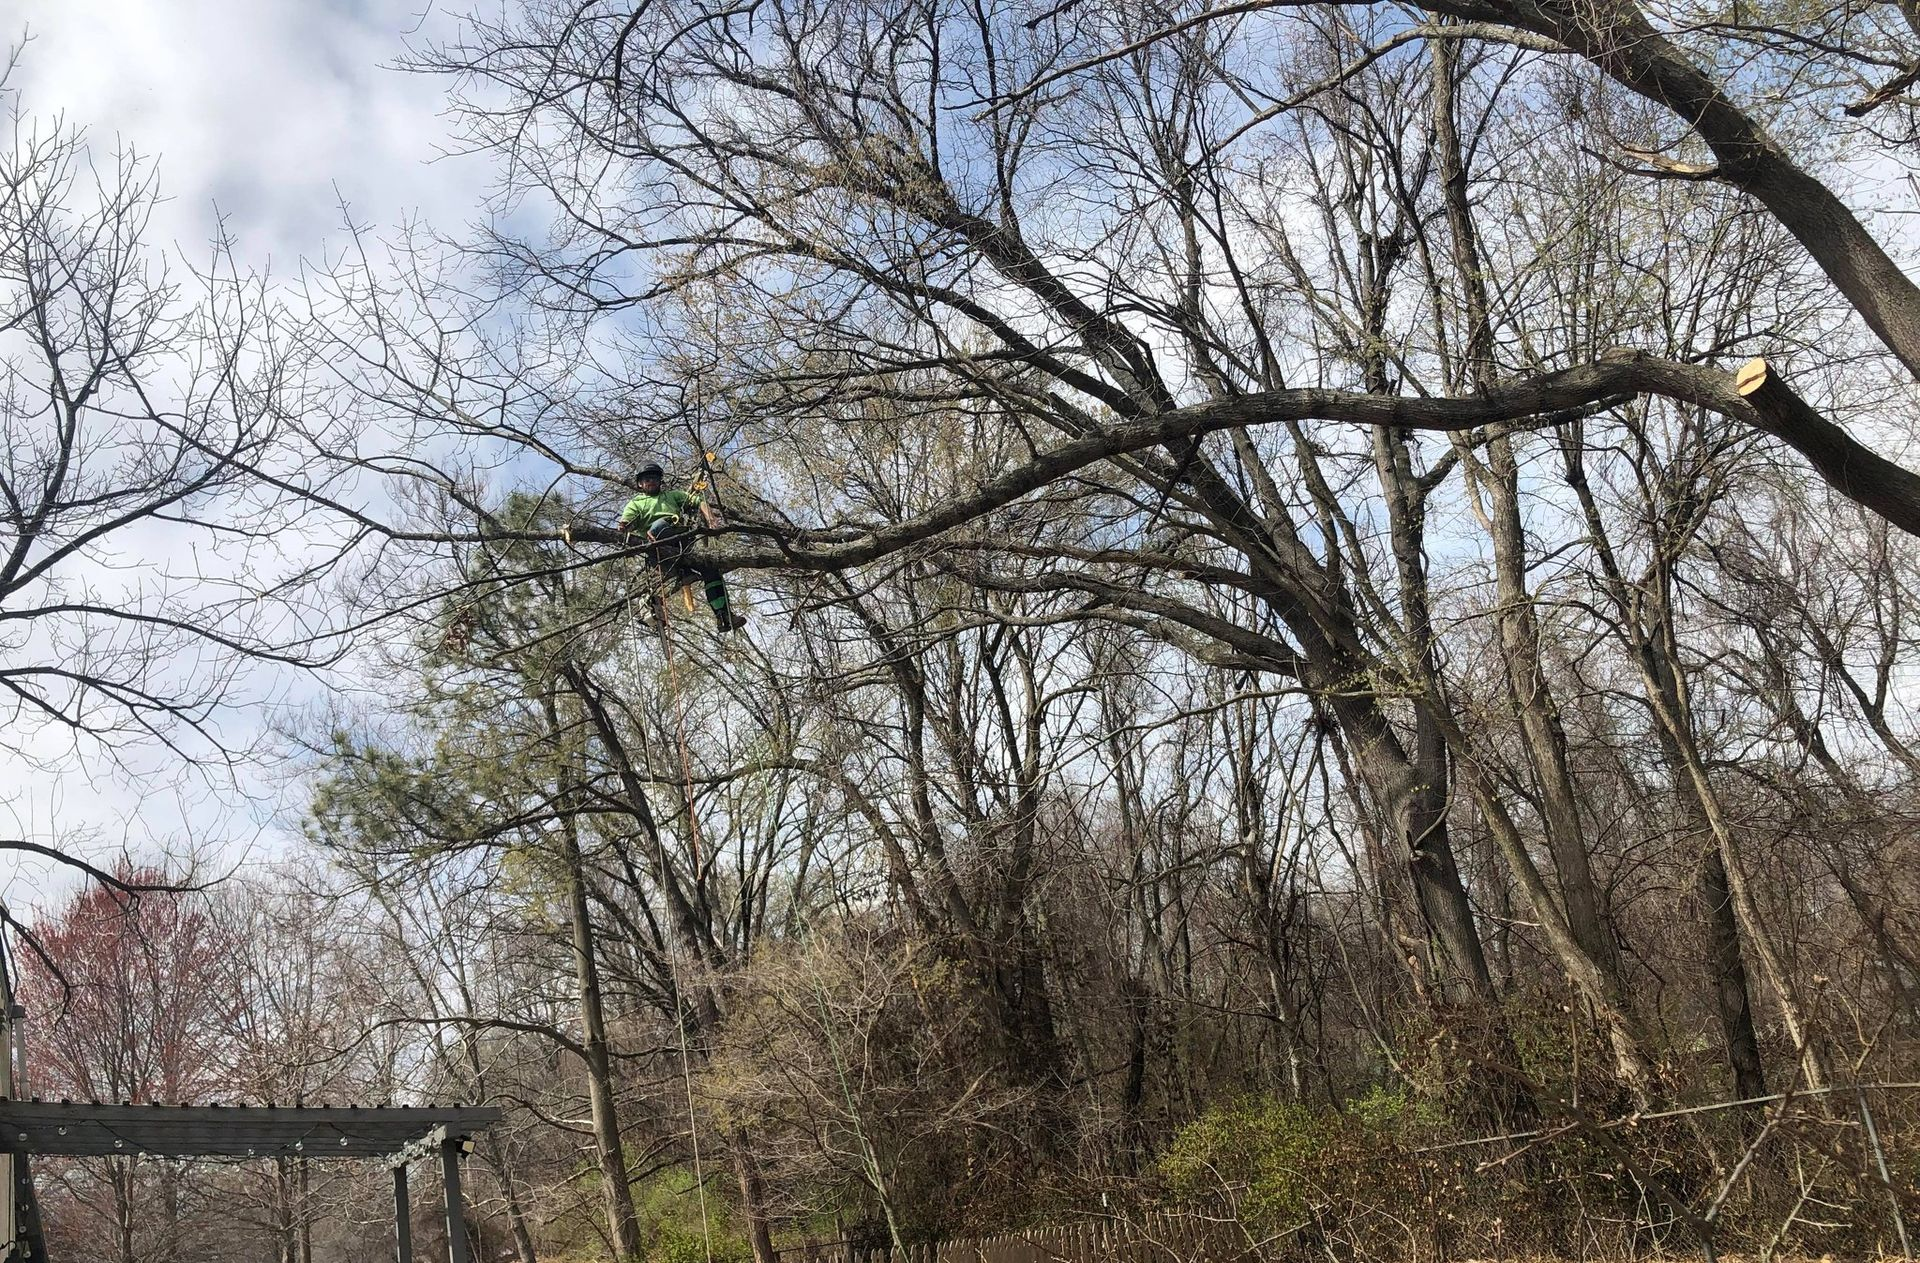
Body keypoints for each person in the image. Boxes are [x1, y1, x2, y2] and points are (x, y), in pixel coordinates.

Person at [616, 462, 743, 631]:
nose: (651, 481)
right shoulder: (636, 504)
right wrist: (624, 530)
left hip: (682, 544)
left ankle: (724, 615)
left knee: (711, 569)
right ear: (640, 483)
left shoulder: (672, 496)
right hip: (658, 550)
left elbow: (699, 502)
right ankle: (672, 584)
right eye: (647, 479)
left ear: (660, 480)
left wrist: (711, 519)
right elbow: (625, 525)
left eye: (654, 478)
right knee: (661, 524)